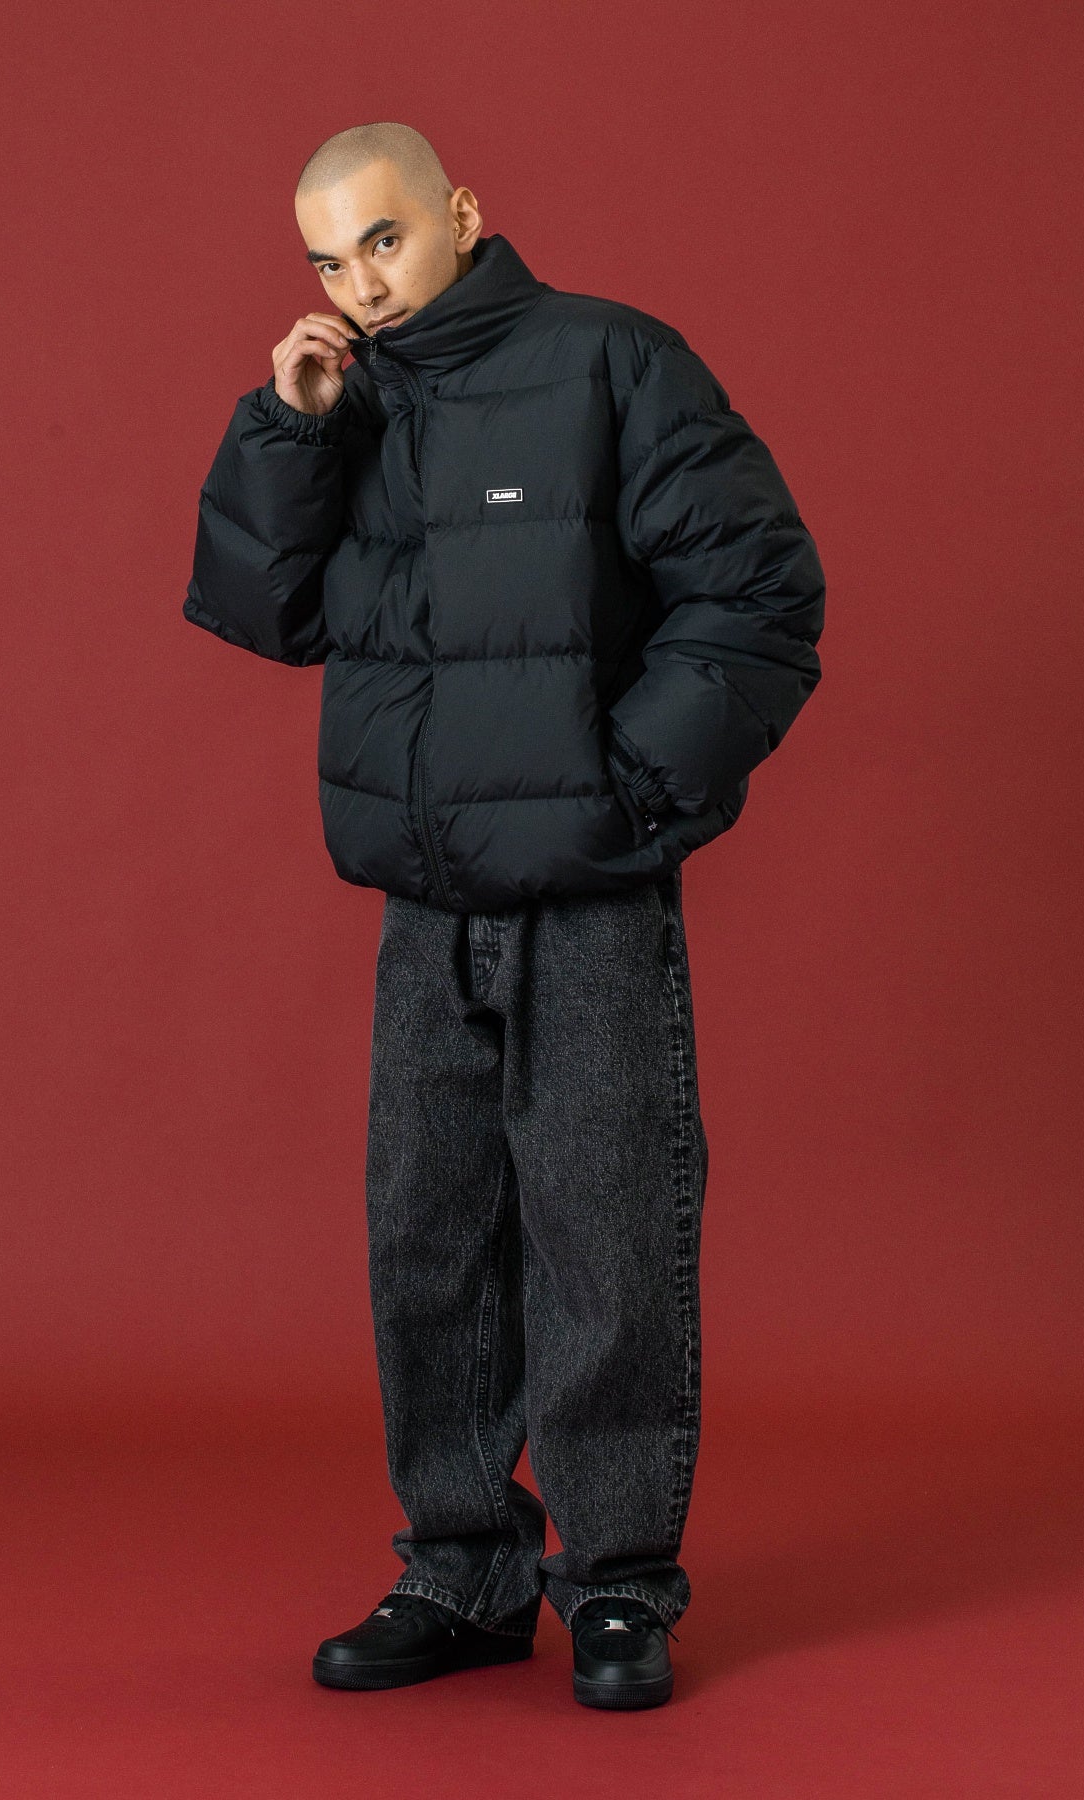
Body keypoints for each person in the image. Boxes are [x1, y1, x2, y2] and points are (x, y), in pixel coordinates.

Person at [181, 121, 825, 1710]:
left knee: (607, 1237)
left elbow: (761, 591)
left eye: (383, 240)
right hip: (425, 898)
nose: (360, 282)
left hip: (586, 895)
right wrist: (287, 426)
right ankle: (462, 1573)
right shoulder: (349, 400)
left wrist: (629, 795)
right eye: (327, 258)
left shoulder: (613, 361)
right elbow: (263, 610)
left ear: (461, 213)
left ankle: (616, 1586)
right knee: (429, 1246)